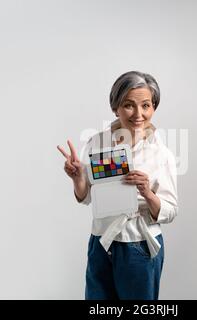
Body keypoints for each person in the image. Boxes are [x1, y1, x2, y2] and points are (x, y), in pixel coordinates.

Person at [57, 71, 178, 300]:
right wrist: (77, 178)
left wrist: (147, 193)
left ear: (153, 107)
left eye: (146, 105)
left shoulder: (161, 154)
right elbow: (88, 197)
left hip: (140, 246)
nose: (139, 114)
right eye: (129, 105)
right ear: (116, 107)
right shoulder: (98, 143)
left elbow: (171, 210)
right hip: (101, 242)